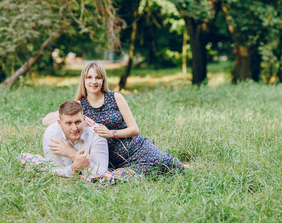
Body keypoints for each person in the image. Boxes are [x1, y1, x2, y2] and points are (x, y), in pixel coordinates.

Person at [43, 62, 186, 174]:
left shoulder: (115, 97)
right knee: (141, 174)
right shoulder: (80, 105)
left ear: (103, 80)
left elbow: (135, 129)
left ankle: (183, 165)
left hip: (135, 148)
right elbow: (47, 120)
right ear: (84, 80)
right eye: (89, 77)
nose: (94, 82)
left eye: (98, 77)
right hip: (109, 158)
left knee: (168, 164)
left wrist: (111, 133)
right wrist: (83, 116)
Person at [22, 100, 108, 177]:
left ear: (84, 119)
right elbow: (54, 171)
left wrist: (72, 154)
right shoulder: (52, 134)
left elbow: (102, 173)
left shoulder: (97, 133)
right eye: (68, 123)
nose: (74, 128)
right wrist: (74, 167)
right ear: (59, 123)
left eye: (77, 122)